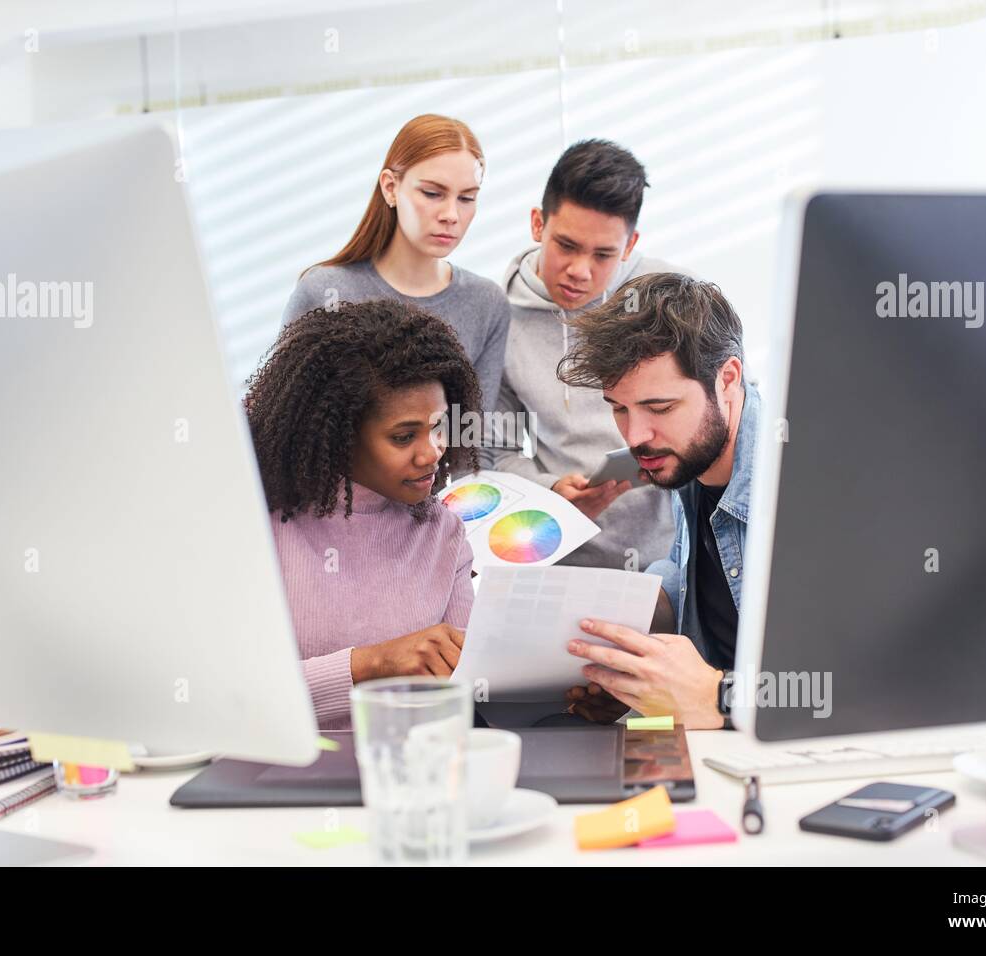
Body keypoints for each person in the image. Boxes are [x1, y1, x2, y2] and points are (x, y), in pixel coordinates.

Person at [244, 298, 482, 730]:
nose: (432, 452)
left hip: (411, 773)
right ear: (340, 437)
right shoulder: (257, 529)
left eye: (439, 427)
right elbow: (232, 697)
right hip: (280, 777)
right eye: (404, 436)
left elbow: (468, 689)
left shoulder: (443, 533)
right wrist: (369, 665)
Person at [556, 272, 759, 730]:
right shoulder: (689, 463)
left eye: (660, 408)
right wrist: (636, 684)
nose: (635, 437)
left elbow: (855, 682)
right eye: (619, 408)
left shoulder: (802, 488)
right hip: (710, 743)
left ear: (727, 379)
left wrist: (719, 698)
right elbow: (691, 585)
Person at [486, 138, 689, 571]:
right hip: (562, 555)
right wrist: (550, 488)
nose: (581, 271)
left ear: (630, 245)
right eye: (567, 246)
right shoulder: (497, 317)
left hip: (673, 559)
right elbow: (493, 451)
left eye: (603, 255)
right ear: (538, 224)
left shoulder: (672, 298)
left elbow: (728, 417)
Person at [283, 114, 510, 416]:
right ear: (390, 188)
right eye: (432, 193)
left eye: (467, 198)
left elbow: (474, 436)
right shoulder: (325, 292)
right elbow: (285, 423)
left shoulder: (486, 303)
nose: (451, 214)